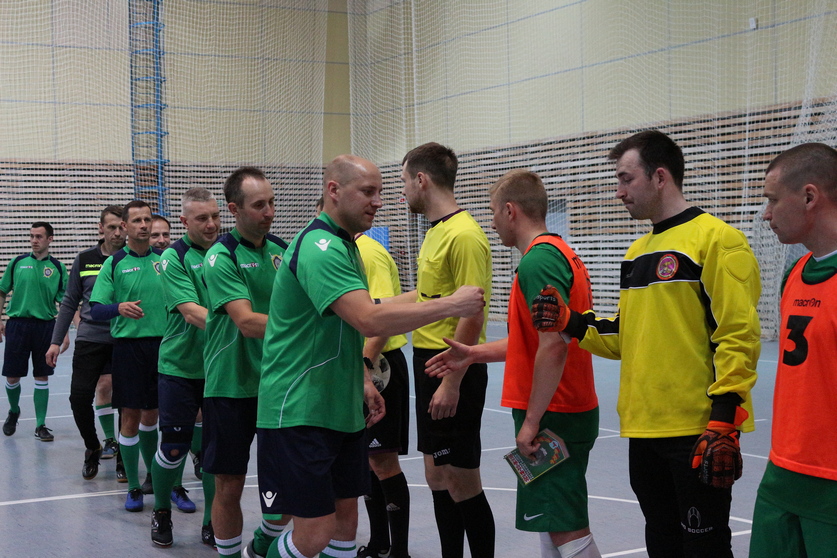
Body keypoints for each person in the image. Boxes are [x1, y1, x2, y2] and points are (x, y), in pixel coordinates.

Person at [532, 130, 761, 558]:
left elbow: (737, 335)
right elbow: (626, 335)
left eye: (626, 179)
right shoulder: (637, 252)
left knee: (705, 547)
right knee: (661, 541)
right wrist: (571, 322)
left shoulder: (718, 239)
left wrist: (724, 418)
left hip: (698, 430)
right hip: (643, 429)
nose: (619, 192)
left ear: (659, 177)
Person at [256, 154, 485, 558]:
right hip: (300, 409)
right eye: (367, 192)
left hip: (338, 408)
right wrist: (451, 304)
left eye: (380, 191)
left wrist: (362, 379)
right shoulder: (320, 248)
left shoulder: (347, 246)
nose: (378, 201)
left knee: (346, 525)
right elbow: (367, 319)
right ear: (333, 190)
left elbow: (355, 317)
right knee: (313, 534)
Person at [426, 170, 601, 558]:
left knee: (567, 528)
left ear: (510, 211)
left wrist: (532, 421)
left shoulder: (539, 261)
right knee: (551, 520)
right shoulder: (558, 253)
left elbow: (553, 346)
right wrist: (474, 353)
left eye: (493, 212)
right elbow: (534, 341)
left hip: (555, 411)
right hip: (560, 406)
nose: (491, 222)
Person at [400, 142, 495, 558]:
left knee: (461, 479)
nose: (403, 191)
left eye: (404, 181)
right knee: (436, 477)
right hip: (428, 363)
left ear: (421, 180)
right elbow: (430, 297)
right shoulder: (435, 231)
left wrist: (453, 381)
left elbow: (473, 312)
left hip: (454, 368)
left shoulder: (464, 235)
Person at [749, 143, 837, 557]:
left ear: (809, 197)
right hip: (782, 473)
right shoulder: (796, 273)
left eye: (772, 200)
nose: (765, 214)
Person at [202, 167, 290, 558]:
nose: (269, 212)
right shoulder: (220, 256)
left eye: (271, 202)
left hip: (278, 384)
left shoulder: (283, 251)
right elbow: (248, 322)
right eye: (259, 205)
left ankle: (263, 543)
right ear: (234, 209)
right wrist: (307, 328)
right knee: (229, 485)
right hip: (231, 386)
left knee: (289, 481)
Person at [150, 188, 221, 547]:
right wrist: (245, 327)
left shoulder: (229, 253)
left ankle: (212, 521)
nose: (211, 224)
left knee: (213, 453)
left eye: (215, 216)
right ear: (184, 221)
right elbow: (192, 312)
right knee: (174, 448)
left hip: (221, 368)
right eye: (202, 218)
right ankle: (162, 510)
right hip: (179, 366)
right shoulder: (173, 257)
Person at [90, 200, 165, 512]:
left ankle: (156, 480)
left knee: (153, 416)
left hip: (163, 347)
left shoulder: (166, 260)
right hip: (129, 349)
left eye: (147, 219)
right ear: (124, 226)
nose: (144, 225)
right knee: (131, 417)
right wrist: (118, 307)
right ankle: (133, 486)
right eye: (137, 221)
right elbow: (96, 310)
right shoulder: (114, 263)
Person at [46, 206, 125, 480]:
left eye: (121, 227)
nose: (117, 232)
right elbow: (70, 301)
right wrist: (55, 341)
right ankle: (93, 446)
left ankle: (124, 456)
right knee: (79, 397)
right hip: (91, 338)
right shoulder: (85, 259)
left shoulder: (131, 258)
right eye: (111, 227)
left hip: (125, 339)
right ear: (101, 228)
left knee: (127, 402)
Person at [356, 231, 412, 558]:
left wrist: (365, 366)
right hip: (362, 366)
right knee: (368, 461)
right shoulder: (349, 249)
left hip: (380, 367)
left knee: (383, 460)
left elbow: (382, 318)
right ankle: (379, 543)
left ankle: (399, 551)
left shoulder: (369, 252)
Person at [1, 222, 68, 441]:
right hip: (17, 325)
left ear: (50, 239)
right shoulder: (17, 262)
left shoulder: (58, 268)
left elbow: (65, 303)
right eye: (31, 236)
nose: (34, 240)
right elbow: (2, 291)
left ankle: (40, 425)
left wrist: (64, 332)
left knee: (42, 375)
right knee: (12, 376)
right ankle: (14, 411)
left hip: (45, 327)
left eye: (39, 236)